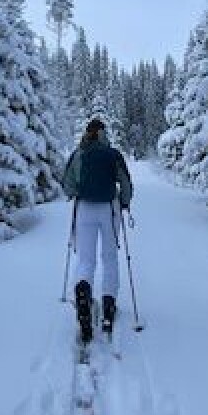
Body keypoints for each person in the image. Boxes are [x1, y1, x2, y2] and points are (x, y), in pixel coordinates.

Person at [62, 118, 133, 343]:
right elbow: (126, 182)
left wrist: (77, 193)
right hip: (109, 209)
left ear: (87, 133)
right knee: (110, 257)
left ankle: (83, 293)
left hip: (84, 208)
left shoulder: (79, 153)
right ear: (104, 133)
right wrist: (124, 202)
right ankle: (108, 307)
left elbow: (67, 184)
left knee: (86, 259)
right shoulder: (113, 154)